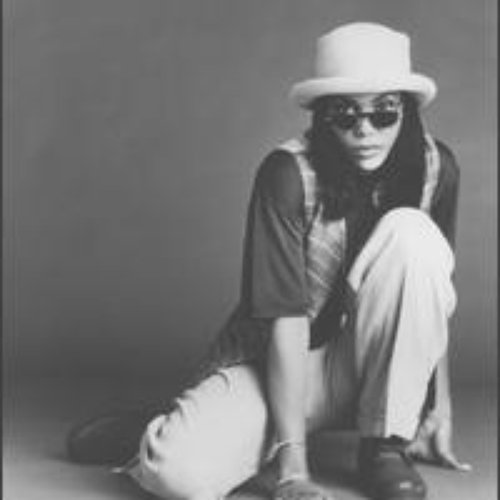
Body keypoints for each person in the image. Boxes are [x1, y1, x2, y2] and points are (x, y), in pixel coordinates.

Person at [66, 22, 472, 500]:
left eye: (384, 113)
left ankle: (384, 447)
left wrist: (437, 408)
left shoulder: (436, 168)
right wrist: (293, 469)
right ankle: (164, 424)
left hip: (373, 365)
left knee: (414, 234)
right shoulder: (288, 174)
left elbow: (431, 299)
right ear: (322, 116)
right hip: (285, 364)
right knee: (180, 475)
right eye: (344, 114)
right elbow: (287, 320)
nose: (364, 130)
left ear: (407, 111)